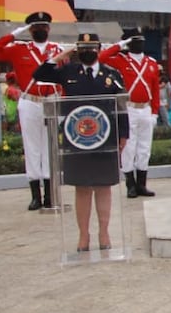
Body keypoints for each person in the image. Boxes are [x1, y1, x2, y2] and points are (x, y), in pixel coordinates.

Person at [34, 33, 128, 252]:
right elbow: (39, 74)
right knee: (83, 188)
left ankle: (104, 233)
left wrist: (123, 135)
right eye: (82, 48)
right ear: (77, 50)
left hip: (106, 139)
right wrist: (61, 56)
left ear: (98, 48)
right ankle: (83, 235)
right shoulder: (68, 72)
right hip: (77, 139)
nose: (87, 52)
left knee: (104, 187)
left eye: (91, 47)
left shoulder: (111, 74)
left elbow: (122, 107)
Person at [0, 12, 65, 211]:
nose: (40, 30)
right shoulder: (19, 49)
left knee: (50, 149)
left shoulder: (58, 50)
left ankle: (50, 194)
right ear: (30, 30)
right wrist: (13, 34)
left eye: (44, 27)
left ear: (49, 29)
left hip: (51, 101)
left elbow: (65, 78)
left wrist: (62, 103)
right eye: (36, 27)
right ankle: (35, 195)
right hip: (30, 101)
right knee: (32, 148)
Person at [99, 28, 159, 199]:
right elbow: (100, 58)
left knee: (144, 148)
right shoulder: (120, 60)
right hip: (129, 108)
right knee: (128, 148)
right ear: (128, 43)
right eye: (135, 40)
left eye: (141, 39)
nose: (139, 43)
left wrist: (154, 112)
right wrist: (119, 45)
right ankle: (130, 185)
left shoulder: (151, 62)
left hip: (145, 109)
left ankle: (142, 185)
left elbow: (155, 90)